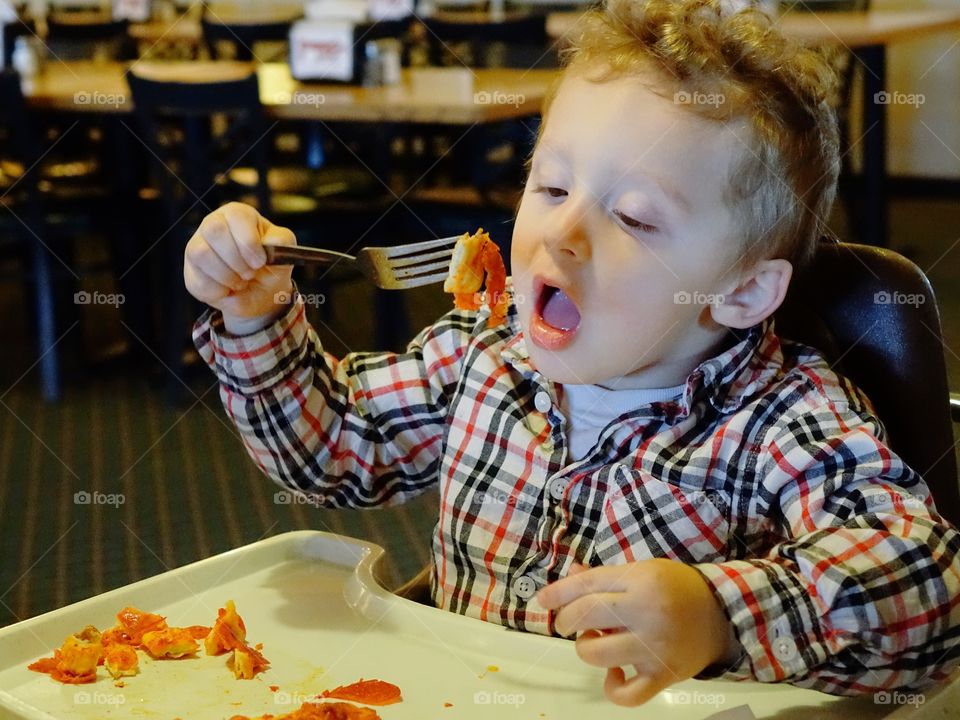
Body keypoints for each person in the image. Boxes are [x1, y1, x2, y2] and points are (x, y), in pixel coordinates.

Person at [184, 0, 960, 707]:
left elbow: (929, 579)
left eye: (634, 217)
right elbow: (333, 450)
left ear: (743, 292)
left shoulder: (784, 416)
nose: (562, 234)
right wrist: (258, 319)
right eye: (551, 188)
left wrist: (719, 614)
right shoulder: (483, 355)